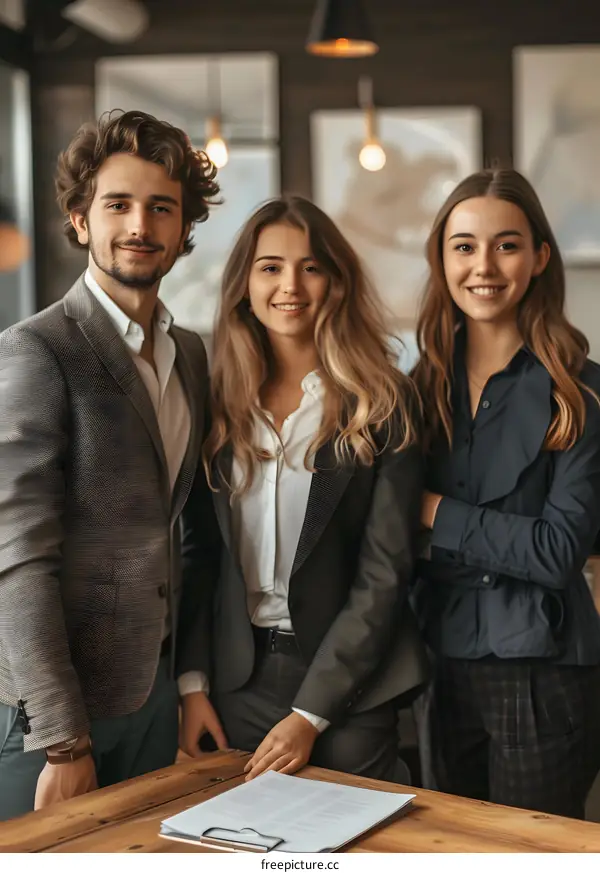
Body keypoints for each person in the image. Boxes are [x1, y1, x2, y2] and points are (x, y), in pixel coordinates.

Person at [0, 109, 222, 820]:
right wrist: (64, 741)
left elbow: (182, 533)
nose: (140, 225)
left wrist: (186, 684)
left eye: (162, 207)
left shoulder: (188, 353)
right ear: (79, 220)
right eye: (117, 204)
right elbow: (17, 556)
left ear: (184, 227)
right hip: (51, 717)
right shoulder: (36, 350)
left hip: (151, 699)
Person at [179, 195, 429, 784]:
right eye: (270, 267)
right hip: (234, 683)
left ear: (336, 283)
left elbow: (384, 574)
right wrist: (191, 686)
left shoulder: (386, 402)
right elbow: (199, 556)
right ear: (244, 283)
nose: (290, 284)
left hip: (350, 690)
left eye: (311, 266)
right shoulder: (214, 402)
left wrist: (309, 714)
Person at [412, 168, 600, 818]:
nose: (483, 266)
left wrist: (437, 514)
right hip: (436, 668)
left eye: (507, 244)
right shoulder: (415, 390)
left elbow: (555, 552)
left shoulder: (582, 391)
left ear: (540, 256)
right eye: (464, 245)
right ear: (441, 258)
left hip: (546, 675)